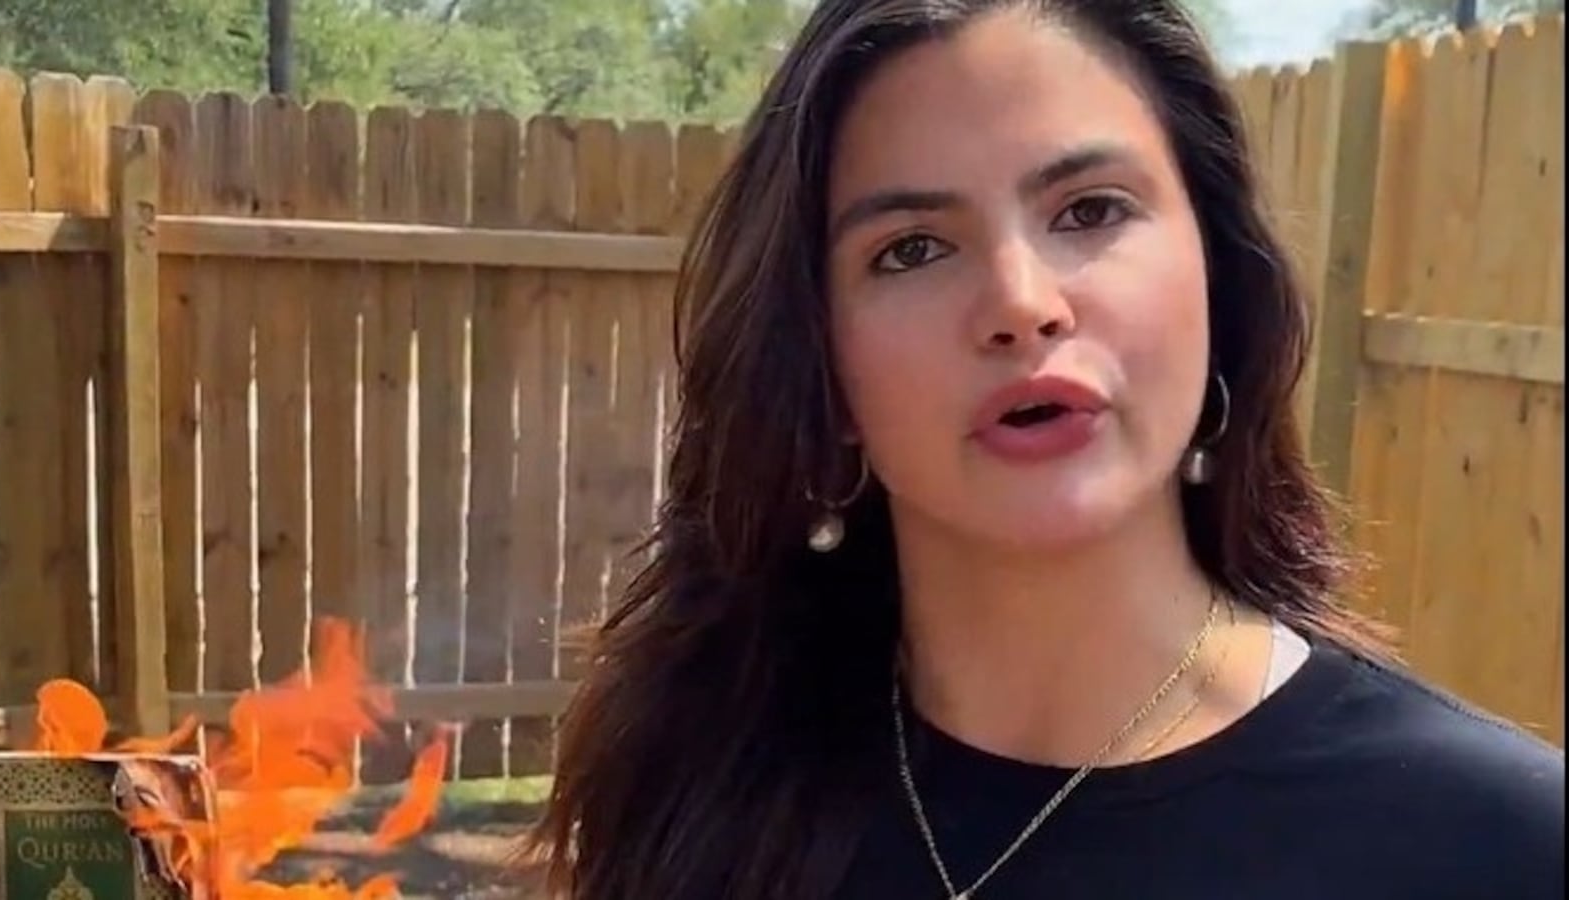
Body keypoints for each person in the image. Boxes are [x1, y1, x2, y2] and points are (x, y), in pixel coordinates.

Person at [521, 1, 1566, 897]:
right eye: (912, 250)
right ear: (823, 372)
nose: (1021, 305)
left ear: (1219, 282)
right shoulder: (701, 790)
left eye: (1089, 210)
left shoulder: (1498, 845)